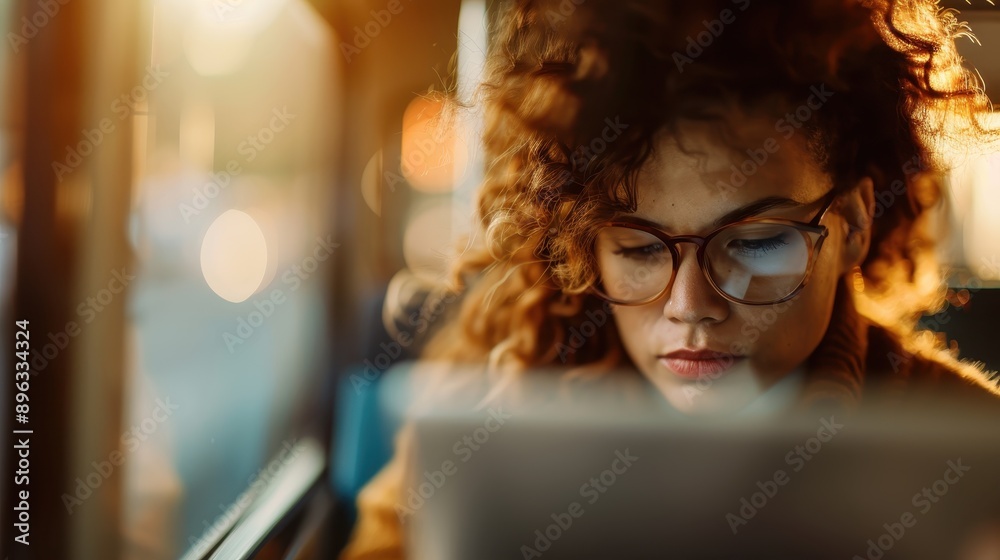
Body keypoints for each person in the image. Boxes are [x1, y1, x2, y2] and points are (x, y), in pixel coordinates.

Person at [340, 0, 1000, 557]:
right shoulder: (500, 406)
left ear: (853, 224)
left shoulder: (970, 444)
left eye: (758, 243)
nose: (690, 307)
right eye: (638, 249)